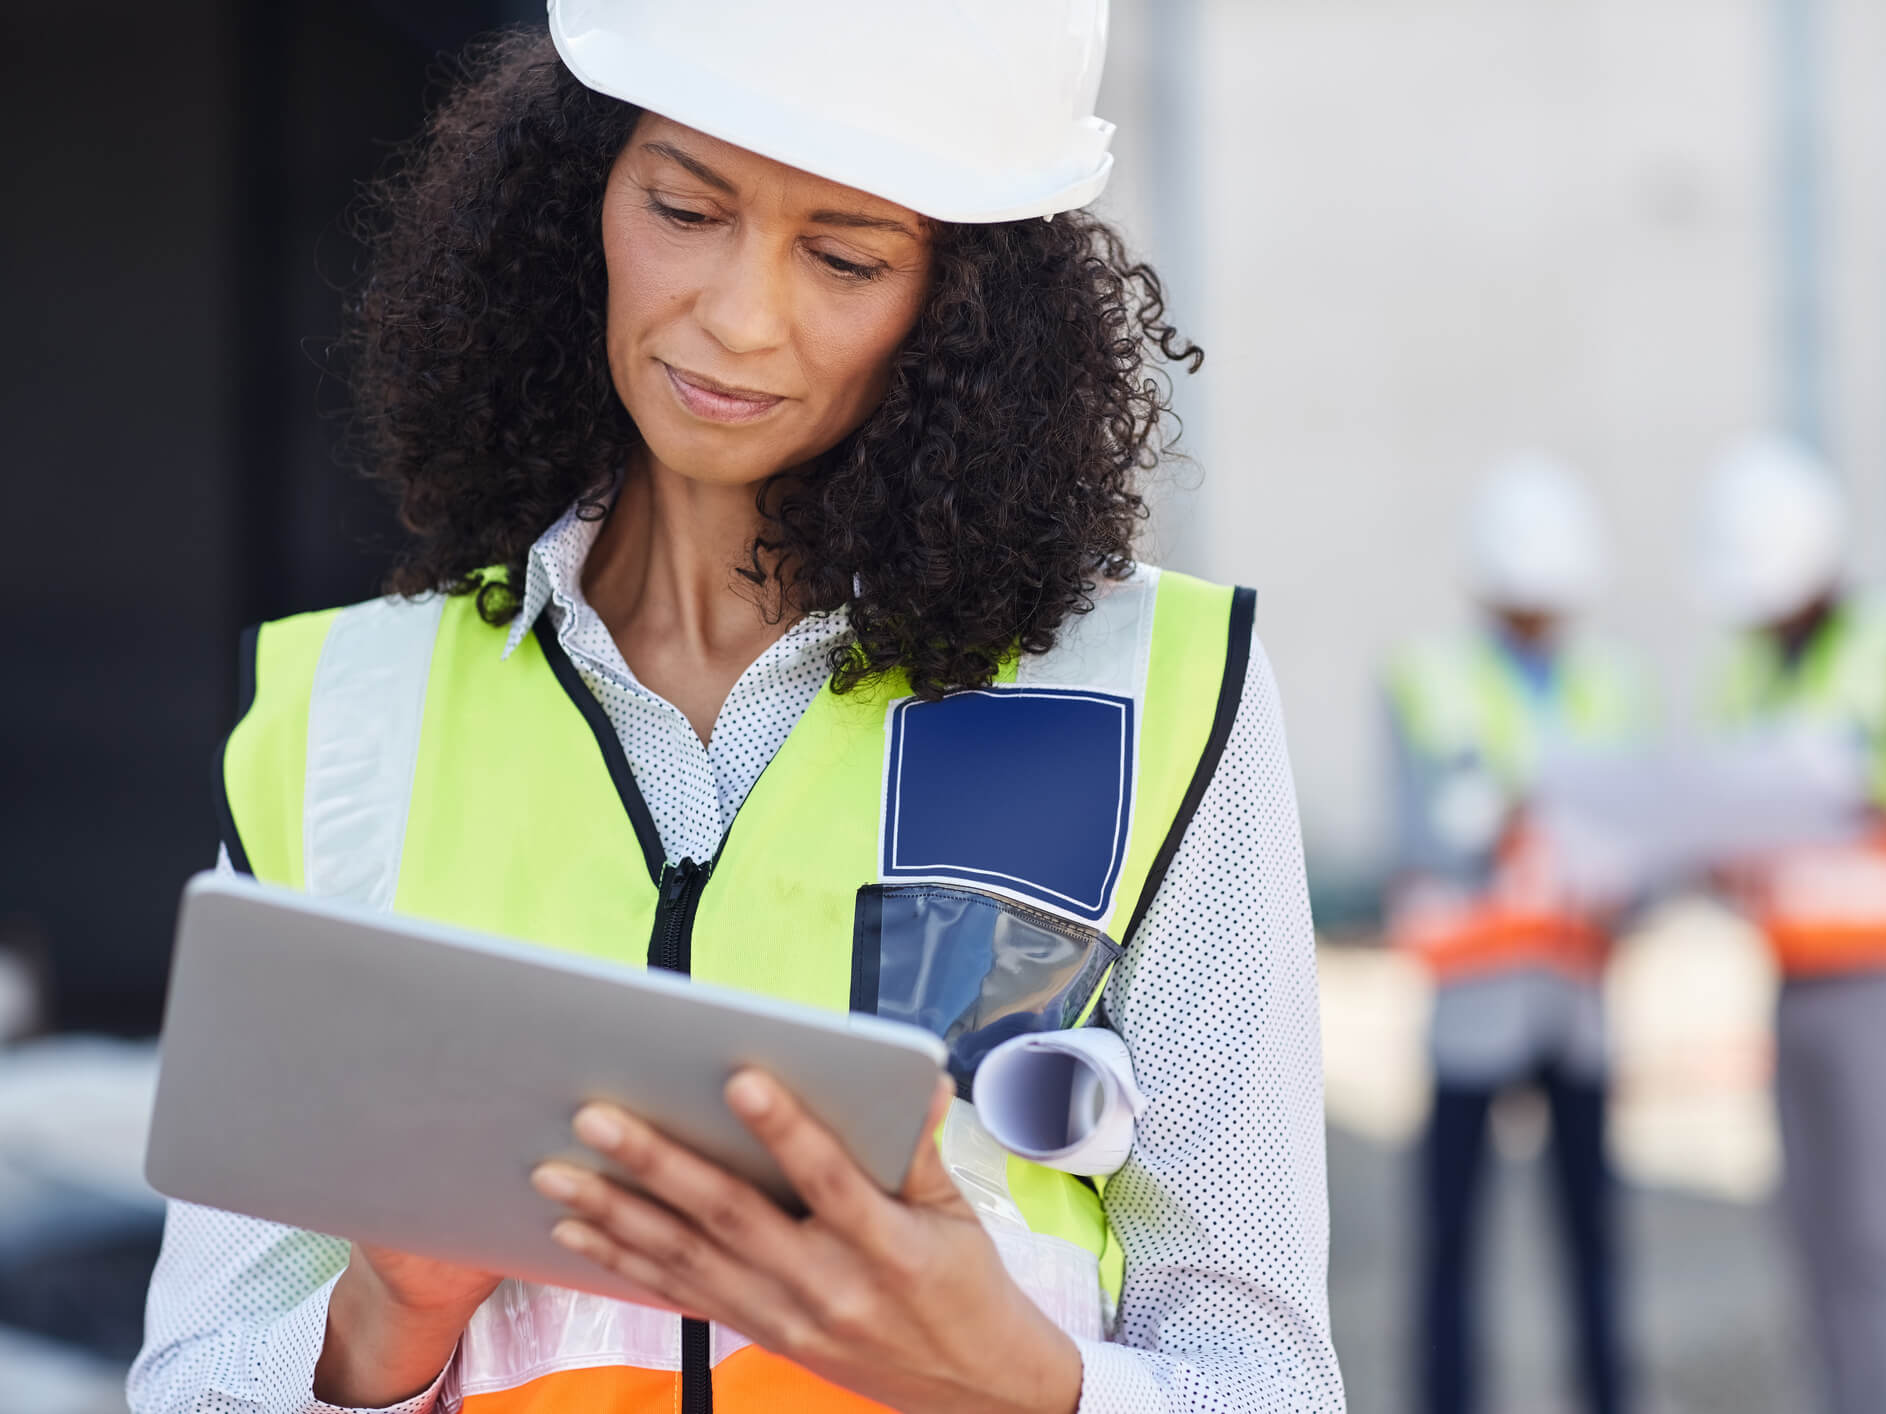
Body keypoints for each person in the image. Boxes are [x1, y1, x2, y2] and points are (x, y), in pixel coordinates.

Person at [128, 6, 1344, 1413]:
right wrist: (379, 1329)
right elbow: (194, 1384)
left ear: (964, 297)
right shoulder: (344, 722)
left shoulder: (1155, 694)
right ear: (577, 188)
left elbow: (1267, 1381)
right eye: (684, 206)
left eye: (842, 255)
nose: (735, 313)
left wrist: (1011, 1374)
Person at [1698, 435, 1886, 1414]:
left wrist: (1861, 805)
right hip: (1790, 979)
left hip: (1878, 982)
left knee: (1874, 1231)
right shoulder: (1746, 667)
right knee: (1809, 1229)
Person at [1382, 454, 1638, 1414]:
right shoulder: (1426, 679)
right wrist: (1511, 825)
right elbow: (1418, 838)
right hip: (1472, 1008)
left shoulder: (1615, 684)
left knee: (1592, 1239)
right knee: (1450, 1244)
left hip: (1575, 1006)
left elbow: (1639, 838)